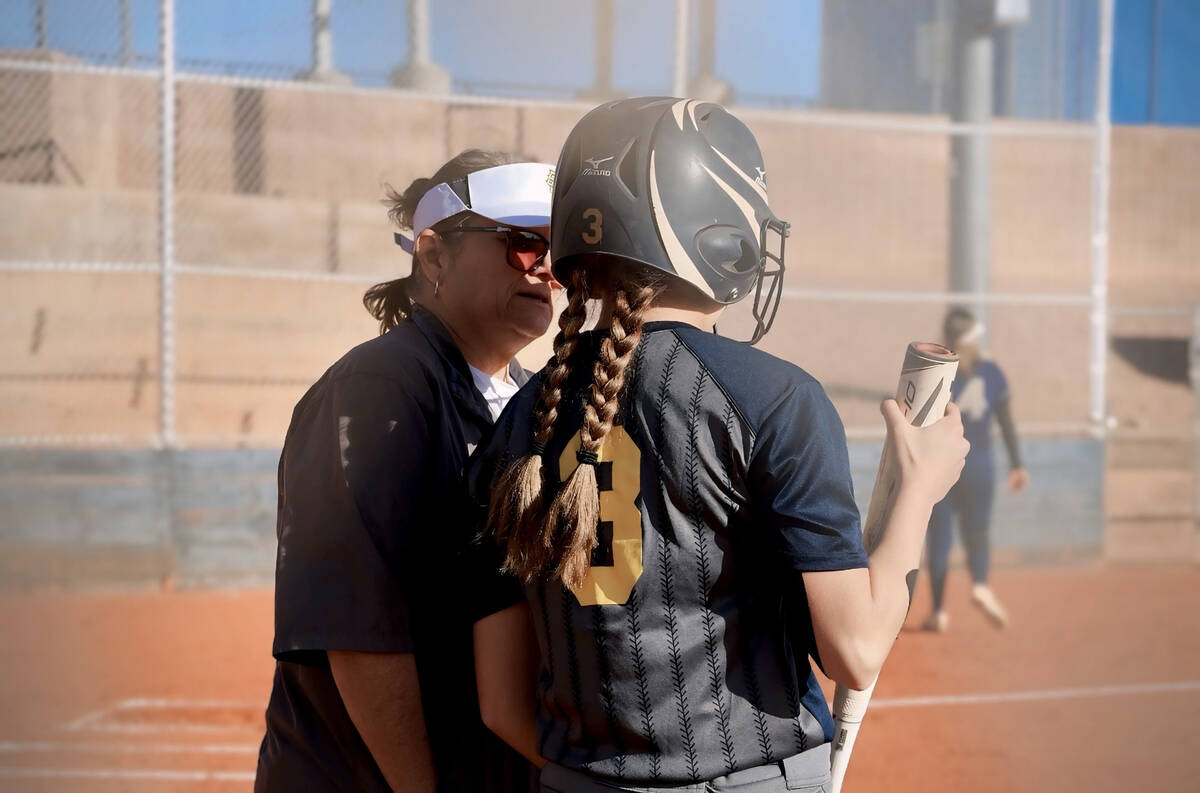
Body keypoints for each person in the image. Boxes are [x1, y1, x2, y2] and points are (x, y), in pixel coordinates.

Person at [466, 98, 969, 792]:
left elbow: (500, 703)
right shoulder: (772, 397)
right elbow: (855, 648)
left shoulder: (519, 420)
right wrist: (918, 489)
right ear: (711, 226)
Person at [255, 149, 559, 793]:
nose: (546, 270)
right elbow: (358, 629)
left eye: (558, 252)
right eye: (522, 244)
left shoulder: (535, 401)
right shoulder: (378, 389)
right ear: (433, 255)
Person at [922, 308, 1028, 633]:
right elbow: (1007, 423)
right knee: (978, 531)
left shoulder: (939, 371)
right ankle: (980, 583)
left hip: (943, 463)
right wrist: (1017, 464)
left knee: (939, 538)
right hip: (980, 462)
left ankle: (938, 611)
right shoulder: (992, 372)